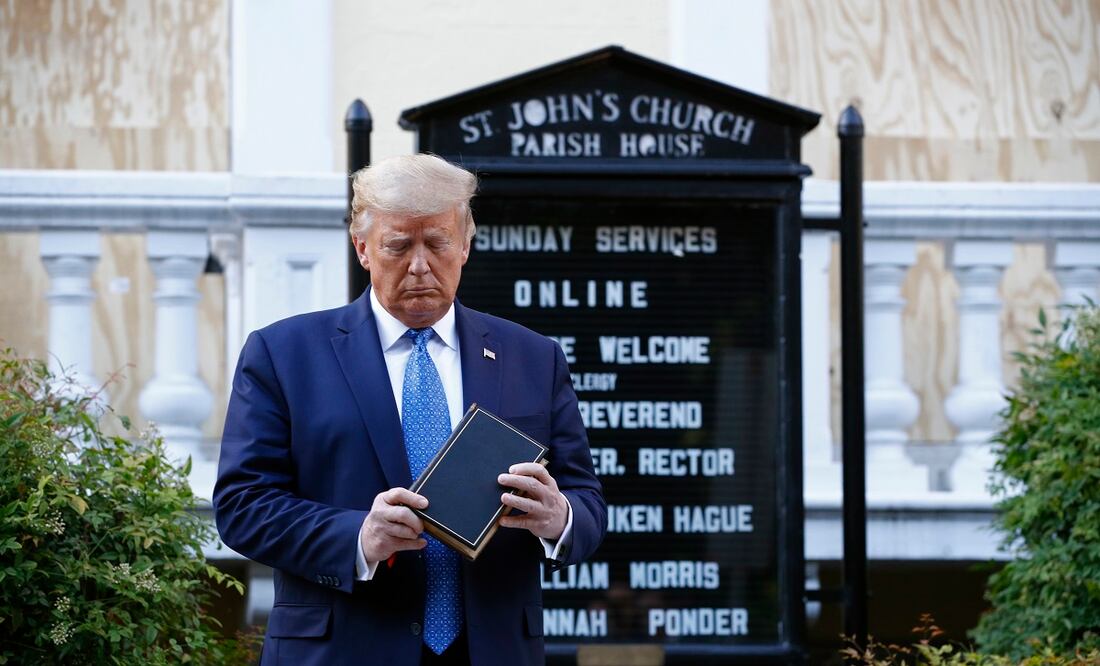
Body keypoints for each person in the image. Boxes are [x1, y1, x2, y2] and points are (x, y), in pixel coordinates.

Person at [214, 153, 607, 666]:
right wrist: (358, 536)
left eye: (438, 243)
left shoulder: (533, 357)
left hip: (493, 649)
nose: (420, 266)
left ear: (466, 244)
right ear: (363, 248)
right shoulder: (284, 354)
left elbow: (588, 505)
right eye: (398, 246)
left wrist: (560, 519)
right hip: (342, 649)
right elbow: (243, 505)